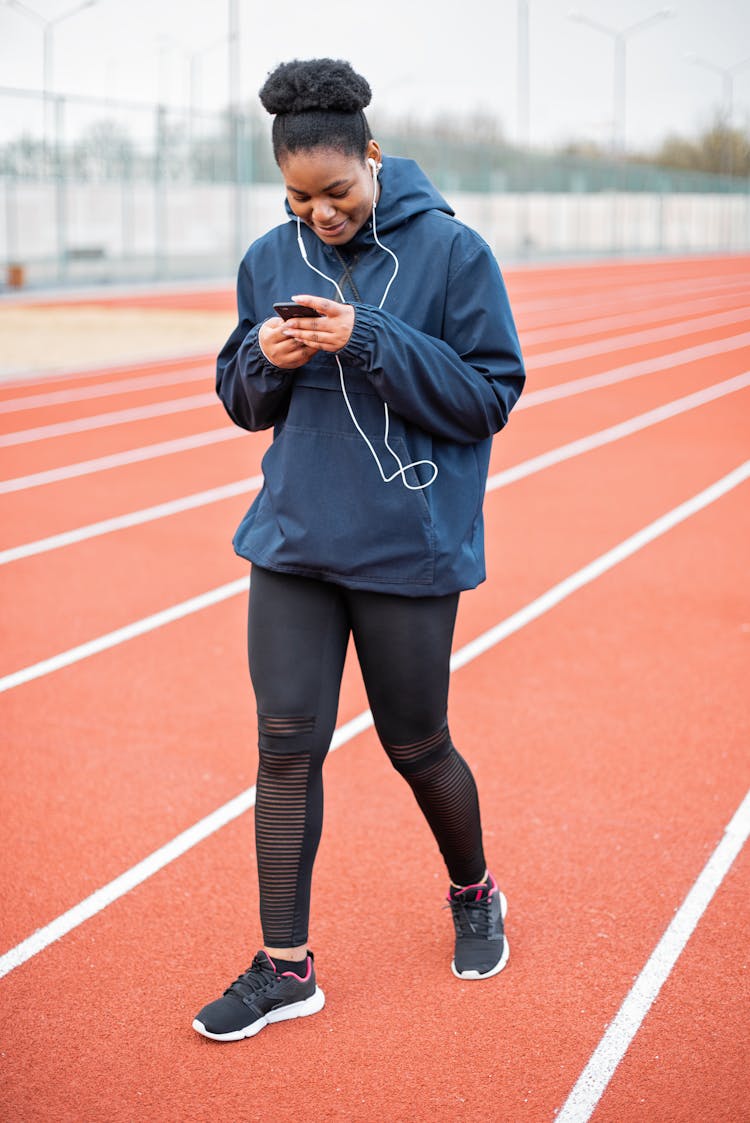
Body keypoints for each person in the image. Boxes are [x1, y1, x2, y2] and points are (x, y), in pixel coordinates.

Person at [193, 58, 525, 1043]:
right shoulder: (268, 256)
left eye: (336, 191)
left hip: (406, 549)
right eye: (300, 197)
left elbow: (487, 397)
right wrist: (266, 356)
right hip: (294, 542)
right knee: (284, 747)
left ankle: (473, 888)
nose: (320, 214)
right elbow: (241, 400)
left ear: (374, 160)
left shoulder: (455, 253)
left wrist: (367, 338)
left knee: (415, 744)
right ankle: (284, 965)